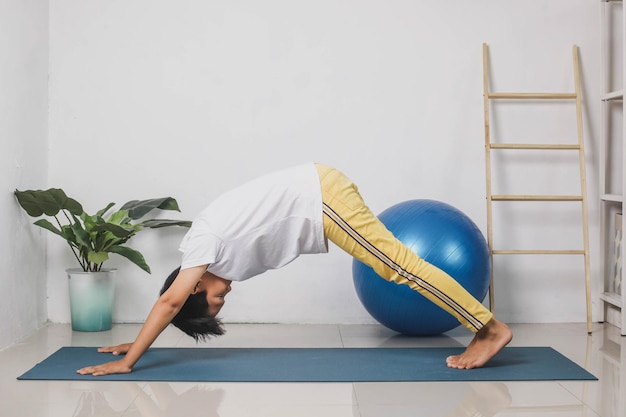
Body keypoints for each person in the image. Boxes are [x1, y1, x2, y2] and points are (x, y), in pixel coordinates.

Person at [77, 163, 512, 376]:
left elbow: (170, 301)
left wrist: (130, 360)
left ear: (193, 288)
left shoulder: (200, 243)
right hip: (321, 194)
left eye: (214, 300)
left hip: (321, 200)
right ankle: (483, 325)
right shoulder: (212, 258)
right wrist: (138, 339)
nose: (224, 296)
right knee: (397, 267)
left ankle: (489, 329)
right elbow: (174, 302)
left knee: (401, 267)